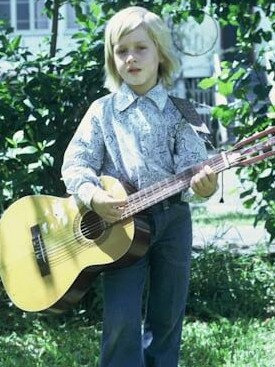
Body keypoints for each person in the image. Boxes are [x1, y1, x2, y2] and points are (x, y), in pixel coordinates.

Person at [61, 6, 218, 367]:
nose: (130, 57)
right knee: (121, 317)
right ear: (112, 58)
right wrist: (93, 196)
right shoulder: (102, 112)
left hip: (172, 222)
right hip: (118, 226)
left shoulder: (183, 111)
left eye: (141, 48)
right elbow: (76, 163)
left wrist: (205, 186)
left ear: (160, 52)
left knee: (167, 315)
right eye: (121, 50)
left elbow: (195, 175)